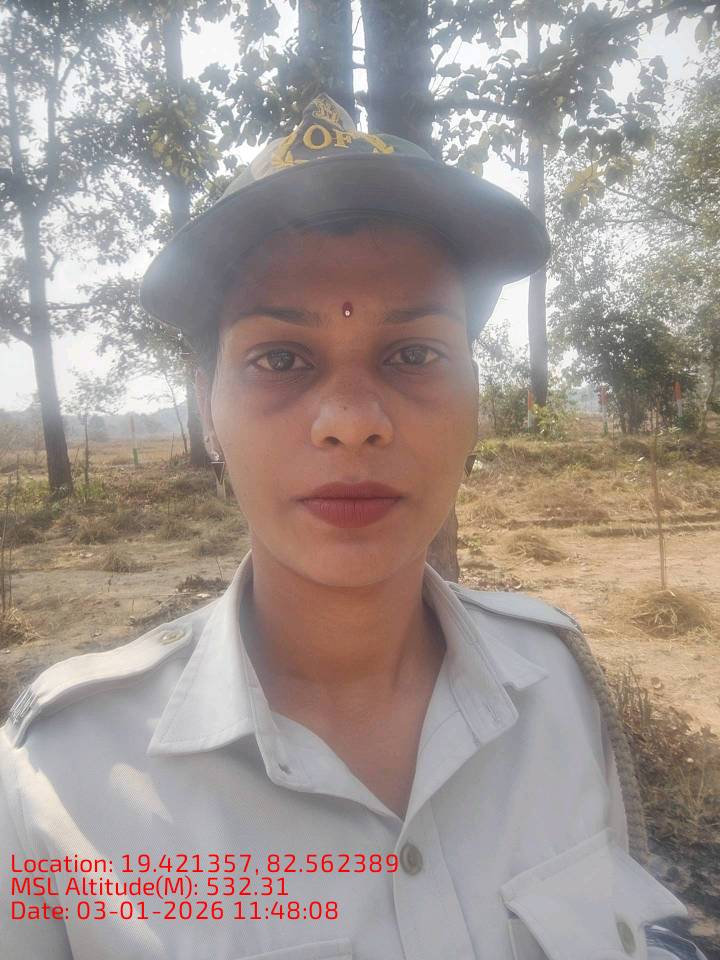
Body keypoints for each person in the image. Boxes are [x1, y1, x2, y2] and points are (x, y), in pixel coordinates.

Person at [0, 94, 707, 960]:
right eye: (279, 359)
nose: (351, 422)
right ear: (208, 409)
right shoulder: (58, 779)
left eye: (413, 355)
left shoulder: (558, 687)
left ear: (474, 398)